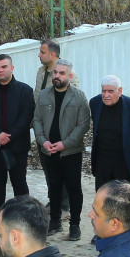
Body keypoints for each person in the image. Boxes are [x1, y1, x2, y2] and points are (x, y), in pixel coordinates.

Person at [33, 59, 91, 241]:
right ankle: (55, 221)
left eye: (61, 73)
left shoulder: (79, 96)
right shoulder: (43, 95)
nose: (57, 76)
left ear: (70, 76)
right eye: (55, 72)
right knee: (54, 187)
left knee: (74, 189)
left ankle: (74, 225)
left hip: (70, 152)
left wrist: (65, 144)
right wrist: (43, 142)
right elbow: (37, 121)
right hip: (49, 150)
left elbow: (83, 125)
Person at [0, 54, 35, 232]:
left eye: (3, 66)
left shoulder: (25, 90)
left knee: (19, 182)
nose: (0, 70)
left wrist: (9, 136)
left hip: (17, 145)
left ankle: (23, 217)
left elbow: (27, 116)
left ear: (12, 68)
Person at [34, 38, 77, 216]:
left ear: (53, 54)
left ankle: (64, 204)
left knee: (62, 167)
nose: (39, 55)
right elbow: (37, 97)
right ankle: (55, 199)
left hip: (59, 130)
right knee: (48, 167)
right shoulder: (41, 72)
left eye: (42, 52)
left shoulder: (67, 74)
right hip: (42, 129)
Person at [88, 75, 130, 189]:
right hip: (103, 162)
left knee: (127, 200)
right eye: (103, 91)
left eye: (110, 91)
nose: (106, 95)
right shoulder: (95, 103)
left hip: (127, 162)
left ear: (120, 91)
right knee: (103, 199)